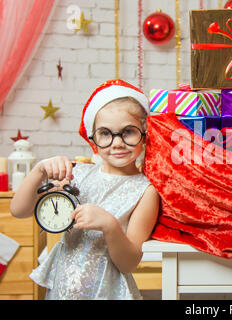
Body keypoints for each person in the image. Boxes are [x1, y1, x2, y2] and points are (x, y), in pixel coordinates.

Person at [10, 80, 160, 300]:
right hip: (62, 289)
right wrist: (39, 171)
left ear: (145, 135)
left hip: (107, 291)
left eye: (128, 132)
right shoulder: (76, 174)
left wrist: (110, 226)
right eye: (106, 134)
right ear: (94, 139)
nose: (117, 143)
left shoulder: (145, 191)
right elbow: (18, 210)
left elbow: (129, 262)